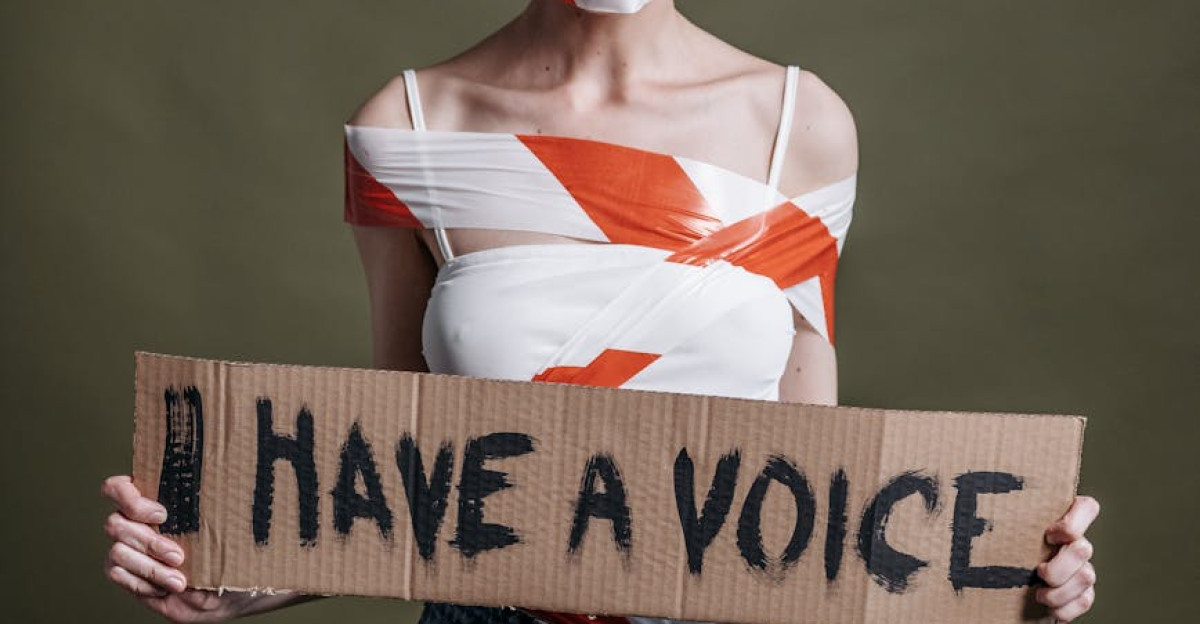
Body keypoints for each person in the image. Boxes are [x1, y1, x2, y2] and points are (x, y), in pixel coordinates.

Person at [99, 1, 1100, 623]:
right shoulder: (408, 123)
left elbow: (814, 476)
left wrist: (1012, 575)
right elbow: (397, 471)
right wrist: (231, 578)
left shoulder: (798, 123)